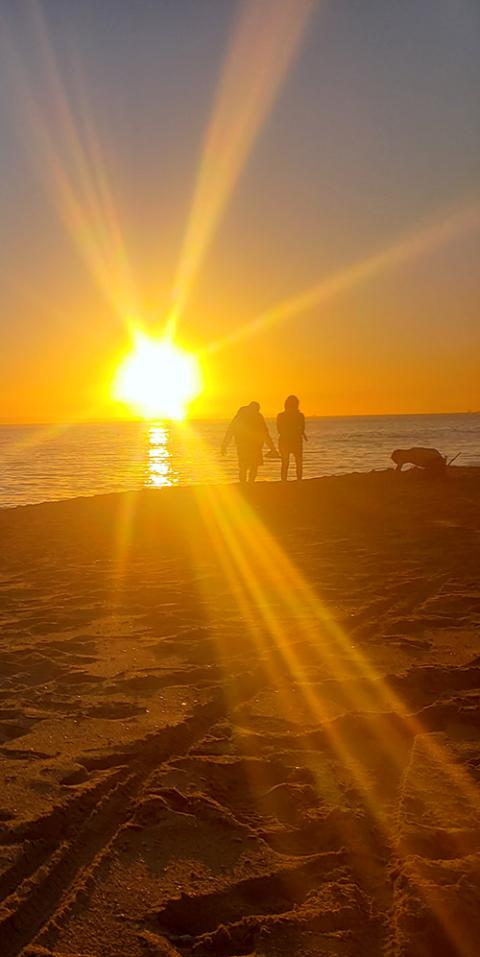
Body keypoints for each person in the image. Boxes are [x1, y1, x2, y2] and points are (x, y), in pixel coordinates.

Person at [221, 401, 276, 483]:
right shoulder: (255, 416)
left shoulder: (242, 417)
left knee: (246, 466)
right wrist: (272, 448)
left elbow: (230, 430)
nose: (257, 411)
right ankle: (249, 483)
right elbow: (265, 433)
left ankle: (246, 483)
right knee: (250, 466)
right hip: (251, 446)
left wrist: (224, 445)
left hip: (247, 446)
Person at [277, 394, 306, 481]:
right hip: (295, 440)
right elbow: (302, 428)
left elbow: (279, 430)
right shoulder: (300, 415)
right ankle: (299, 480)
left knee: (285, 462)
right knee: (298, 462)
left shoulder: (280, 416)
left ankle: (284, 481)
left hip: (285, 440)